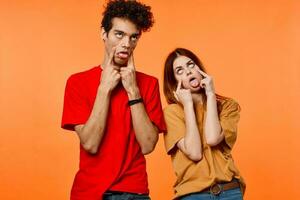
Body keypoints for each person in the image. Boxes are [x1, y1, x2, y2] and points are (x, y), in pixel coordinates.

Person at [61, 1, 166, 199]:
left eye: (133, 37)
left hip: (133, 192)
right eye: (119, 34)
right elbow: (90, 144)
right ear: (104, 34)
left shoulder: (149, 84)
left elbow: (148, 145)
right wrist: (104, 88)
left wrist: (133, 90)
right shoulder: (77, 82)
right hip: (89, 192)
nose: (126, 44)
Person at [163, 48, 245, 200]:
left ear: (199, 69)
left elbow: (213, 138)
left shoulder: (228, 106)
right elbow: (194, 153)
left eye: (191, 65)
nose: (188, 72)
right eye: (179, 71)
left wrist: (210, 94)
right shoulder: (171, 113)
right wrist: (187, 105)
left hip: (230, 191)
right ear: (174, 81)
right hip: (193, 195)